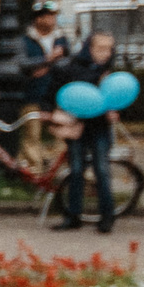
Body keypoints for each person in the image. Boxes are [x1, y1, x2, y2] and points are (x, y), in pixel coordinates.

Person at [51, 28, 122, 235]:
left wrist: (114, 111)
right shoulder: (73, 68)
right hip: (76, 126)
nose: (105, 53)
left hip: (99, 127)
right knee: (76, 170)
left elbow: (115, 96)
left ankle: (107, 216)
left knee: (102, 170)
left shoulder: (109, 71)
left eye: (109, 49)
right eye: (101, 48)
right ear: (89, 48)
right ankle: (73, 215)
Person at [18, 2, 70, 167]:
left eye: (53, 16)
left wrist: (47, 67)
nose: (52, 20)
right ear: (37, 19)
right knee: (32, 133)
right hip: (32, 93)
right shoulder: (25, 40)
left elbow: (69, 62)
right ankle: (36, 170)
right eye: (48, 16)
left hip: (58, 93)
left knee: (61, 132)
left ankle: (58, 169)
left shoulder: (61, 39)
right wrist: (47, 60)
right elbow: (22, 63)